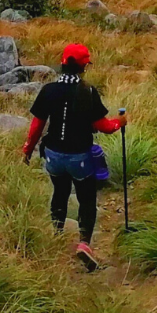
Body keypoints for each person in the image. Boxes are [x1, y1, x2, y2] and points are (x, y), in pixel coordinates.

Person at [22, 43, 125, 271]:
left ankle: (57, 234)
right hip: (79, 156)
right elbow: (103, 126)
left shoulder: (48, 90)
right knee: (86, 198)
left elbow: (37, 125)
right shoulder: (88, 91)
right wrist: (120, 123)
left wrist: (28, 150)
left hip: (53, 156)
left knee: (60, 192)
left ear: (63, 62)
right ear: (82, 67)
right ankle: (84, 244)